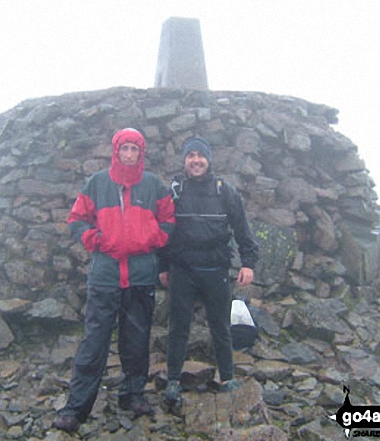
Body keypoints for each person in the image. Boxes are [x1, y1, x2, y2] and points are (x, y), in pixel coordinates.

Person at [54, 128, 175, 434]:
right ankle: (76, 407)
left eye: (135, 149)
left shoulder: (152, 184)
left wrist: (153, 238)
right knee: (94, 343)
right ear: (116, 151)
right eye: (125, 149)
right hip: (105, 276)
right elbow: (76, 219)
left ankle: (132, 395)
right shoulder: (97, 183)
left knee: (136, 340)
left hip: (141, 275)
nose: (130, 154)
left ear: (141, 153)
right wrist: (93, 238)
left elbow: (169, 219)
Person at [159, 136, 259, 409]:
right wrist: (163, 267)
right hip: (182, 270)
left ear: (208, 160)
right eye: (190, 156)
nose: (195, 160)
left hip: (216, 270)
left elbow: (242, 230)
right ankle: (172, 380)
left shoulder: (224, 191)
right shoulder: (175, 191)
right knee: (178, 327)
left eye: (200, 156)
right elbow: (163, 233)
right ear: (184, 161)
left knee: (221, 327)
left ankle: (227, 377)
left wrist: (248, 263)